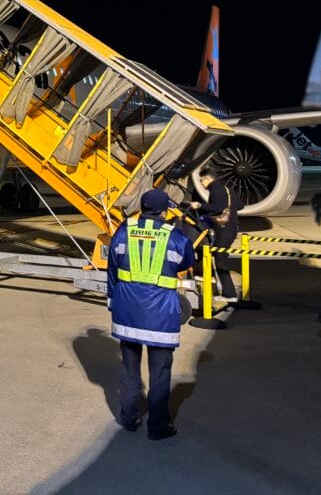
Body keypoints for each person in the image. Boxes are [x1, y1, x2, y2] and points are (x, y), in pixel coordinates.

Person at [107, 188, 195, 440]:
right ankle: (157, 427)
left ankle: (129, 416)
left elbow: (112, 270)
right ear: (164, 210)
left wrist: (113, 303)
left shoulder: (123, 231)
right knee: (159, 372)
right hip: (160, 313)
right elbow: (187, 261)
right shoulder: (174, 236)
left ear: (142, 208)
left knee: (129, 368)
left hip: (127, 311)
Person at [189, 164, 241, 300]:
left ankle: (229, 294)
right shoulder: (226, 189)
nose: (201, 184)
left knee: (220, 259)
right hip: (232, 228)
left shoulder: (215, 189)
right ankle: (225, 289)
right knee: (219, 257)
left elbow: (217, 208)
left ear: (207, 179)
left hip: (224, 230)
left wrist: (200, 205)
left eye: (201, 181)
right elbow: (240, 204)